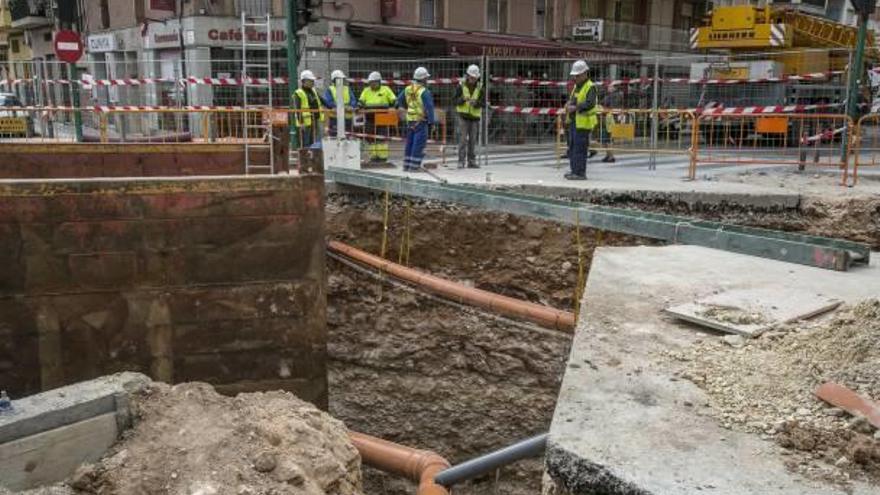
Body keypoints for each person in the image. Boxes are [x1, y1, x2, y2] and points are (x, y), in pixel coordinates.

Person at [396, 66, 436, 172]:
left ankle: (407, 165)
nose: (427, 80)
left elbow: (398, 101)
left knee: (410, 143)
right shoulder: (424, 92)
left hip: (410, 121)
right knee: (419, 144)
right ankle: (414, 166)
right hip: (421, 122)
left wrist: (403, 108)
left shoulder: (408, 89)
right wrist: (432, 122)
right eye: (426, 78)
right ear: (423, 79)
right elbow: (429, 108)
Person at [564, 60, 598, 180]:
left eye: (577, 75)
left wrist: (575, 107)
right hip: (574, 122)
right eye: (574, 75)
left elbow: (590, 103)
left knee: (580, 148)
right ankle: (574, 170)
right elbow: (573, 100)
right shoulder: (577, 86)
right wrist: (568, 104)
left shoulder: (590, 87)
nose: (575, 77)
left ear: (585, 73)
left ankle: (580, 173)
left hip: (583, 124)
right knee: (573, 148)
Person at [358, 71, 398, 163]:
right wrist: (359, 106)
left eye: (374, 82)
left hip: (382, 115)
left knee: (381, 137)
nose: (372, 85)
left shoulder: (386, 89)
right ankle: (373, 156)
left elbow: (394, 100)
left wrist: (395, 106)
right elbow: (361, 101)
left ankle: (382, 157)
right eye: (370, 83)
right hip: (369, 116)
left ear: (379, 82)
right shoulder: (366, 90)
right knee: (370, 137)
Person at [453, 64, 486, 168]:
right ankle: (461, 161)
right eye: (471, 77)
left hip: (474, 117)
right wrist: (462, 99)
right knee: (462, 140)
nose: (473, 79)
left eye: (475, 78)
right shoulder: (461, 86)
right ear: (467, 76)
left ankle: (471, 161)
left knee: (472, 140)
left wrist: (476, 103)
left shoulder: (480, 87)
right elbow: (454, 101)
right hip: (463, 116)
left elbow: (483, 103)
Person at [292, 70, 324, 148]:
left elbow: (322, 100)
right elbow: (297, 109)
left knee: (315, 142)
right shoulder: (298, 93)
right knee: (306, 142)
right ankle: (306, 157)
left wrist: (333, 106)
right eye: (310, 81)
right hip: (305, 123)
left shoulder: (313, 91)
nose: (313, 82)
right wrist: (301, 122)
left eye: (312, 81)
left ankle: (313, 157)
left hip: (315, 120)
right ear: (304, 81)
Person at [322, 69, 357, 136]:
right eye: (339, 79)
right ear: (334, 80)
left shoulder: (347, 89)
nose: (342, 81)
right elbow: (328, 102)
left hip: (347, 117)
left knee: (348, 137)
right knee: (334, 137)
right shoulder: (330, 90)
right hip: (335, 118)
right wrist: (341, 107)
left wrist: (351, 106)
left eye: (342, 79)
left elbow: (353, 100)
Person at [599, 84, 623, 163]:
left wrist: (602, 107)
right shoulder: (611, 95)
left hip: (611, 119)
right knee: (606, 139)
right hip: (609, 118)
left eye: (610, 86)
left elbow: (608, 105)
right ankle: (608, 155)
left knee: (608, 139)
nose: (608, 87)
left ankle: (611, 156)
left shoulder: (614, 96)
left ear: (614, 88)